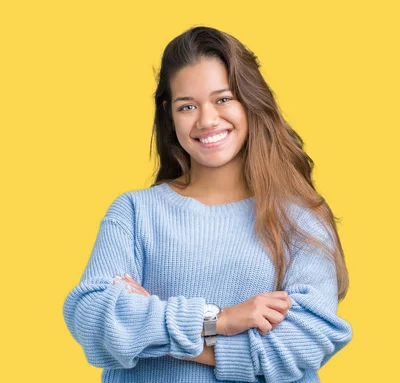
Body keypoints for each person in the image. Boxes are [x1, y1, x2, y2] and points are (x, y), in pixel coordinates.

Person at [62, 25, 352, 383]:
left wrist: (157, 331)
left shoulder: (299, 218)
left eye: (223, 99)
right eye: (188, 106)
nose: (207, 120)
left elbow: (301, 345)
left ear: (250, 100)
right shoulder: (134, 213)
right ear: (170, 113)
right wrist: (223, 320)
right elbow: (92, 319)